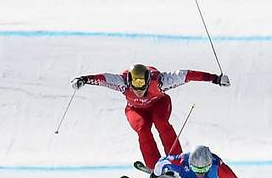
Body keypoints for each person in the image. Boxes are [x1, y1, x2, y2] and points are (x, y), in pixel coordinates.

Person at [72, 63, 230, 168]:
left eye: (142, 84)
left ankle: (177, 161)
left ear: (148, 81)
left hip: (158, 104)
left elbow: (187, 75)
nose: (138, 90)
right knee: (142, 130)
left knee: (161, 123)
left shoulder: (161, 81)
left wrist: (215, 79)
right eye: (135, 85)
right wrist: (83, 80)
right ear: (129, 81)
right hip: (136, 109)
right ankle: (155, 165)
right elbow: (102, 78)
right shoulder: (122, 82)